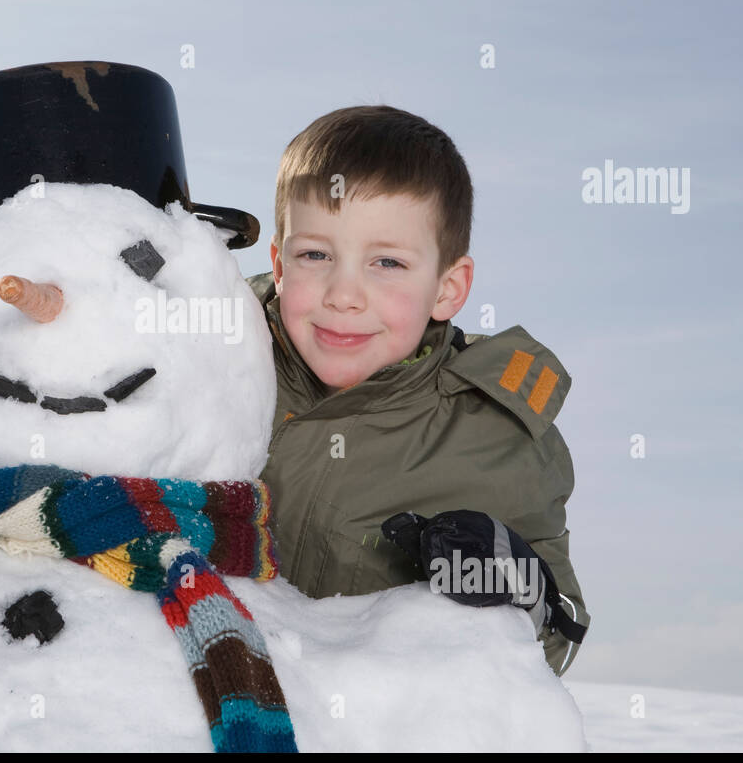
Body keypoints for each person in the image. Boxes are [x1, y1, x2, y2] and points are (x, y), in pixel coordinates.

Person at [245, 105, 589, 675]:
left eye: (386, 262)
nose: (344, 295)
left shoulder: (497, 442)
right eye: (315, 255)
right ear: (279, 263)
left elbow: (561, 634)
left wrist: (517, 586)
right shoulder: (208, 353)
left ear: (447, 288)